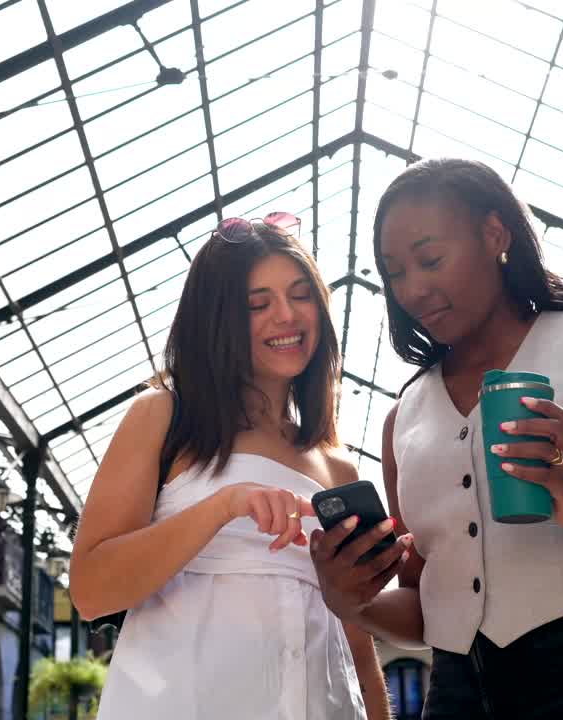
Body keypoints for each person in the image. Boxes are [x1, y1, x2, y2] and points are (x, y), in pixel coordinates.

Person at [309, 158, 563, 718]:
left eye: (430, 259)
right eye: (395, 272)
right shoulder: (402, 418)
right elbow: (425, 610)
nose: (413, 288)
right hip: (459, 690)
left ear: (495, 234)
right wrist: (353, 601)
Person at [70, 213, 390, 720]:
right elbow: (90, 591)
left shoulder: (338, 467)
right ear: (217, 320)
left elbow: (358, 647)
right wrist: (224, 505)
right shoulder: (163, 415)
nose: (286, 315)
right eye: (256, 304)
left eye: (301, 294)